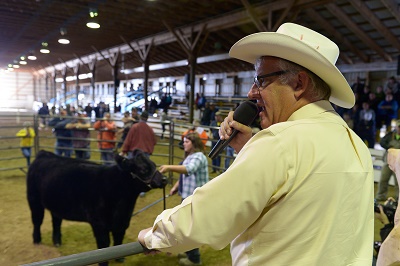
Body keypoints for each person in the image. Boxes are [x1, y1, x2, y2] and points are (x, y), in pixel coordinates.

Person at [138, 23, 374, 265]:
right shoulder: (355, 144)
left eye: (261, 80)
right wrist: (248, 149)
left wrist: (155, 235)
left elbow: (209, 214)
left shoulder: (280, 142)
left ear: (298, 84)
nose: (251, 93)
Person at [158, 132, 209, 265]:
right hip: (188, 197)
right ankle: (188, 252)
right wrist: (176, 186)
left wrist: (169, 167)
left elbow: (189, 170)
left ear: (194, 143)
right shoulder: (191, 156)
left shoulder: (198, 157)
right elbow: (185, 175)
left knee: (190, 229)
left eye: (187, 142)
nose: (184, 144)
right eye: (184, 141)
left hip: (195, 199)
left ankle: (194, 259)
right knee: (184, 226)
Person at [375, 120, 400, 201]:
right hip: (387, 162)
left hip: (399, 163)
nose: (399, 128)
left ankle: (398, 199)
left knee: (398, 183)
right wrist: (389, 146)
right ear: (396, 127)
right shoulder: (390, 134)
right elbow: (382, 142)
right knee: (383, 180)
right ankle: (380, 197)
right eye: (398, 127)